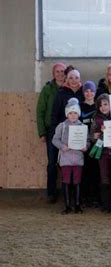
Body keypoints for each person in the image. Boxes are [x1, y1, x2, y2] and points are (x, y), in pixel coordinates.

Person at [52, 98, 89, 214]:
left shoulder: (83, 127)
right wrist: (63, 147)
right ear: (67, 114)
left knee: (77, 182)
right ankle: (67, 205)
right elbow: (54, 140)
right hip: (66, 159)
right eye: (70, 113)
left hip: (78, 160)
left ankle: (77, 205)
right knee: (66, 182)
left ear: (78, 114)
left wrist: (85, 147)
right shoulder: (61, 126)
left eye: (75, 113)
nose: (73, 115)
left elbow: (87, 140)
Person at [36, 62, 66, 203]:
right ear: (53, 74)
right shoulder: (47, 89)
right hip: (52, 130)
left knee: (68, 162)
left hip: (68, 129)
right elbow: (40, 111)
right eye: (57, 71)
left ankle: (69, 192)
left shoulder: (69, 87)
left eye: (62, 71)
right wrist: (42, 132)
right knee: (52, 162)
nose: (60, 74)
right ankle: (51, 193)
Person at [90, 94, 111, 213]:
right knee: (104, 176)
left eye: (105, 104)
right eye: (100, 105)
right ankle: (105, 204)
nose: (103, 107)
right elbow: (91, 136)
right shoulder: (96, 119)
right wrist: (95, 136)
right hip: (102, 153)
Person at [80, 81, 99, 207]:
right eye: (86, 90)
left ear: (95, 92)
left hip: (97, 144)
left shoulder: (99, 107)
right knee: (85, 171)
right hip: (84, 144)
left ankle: (95, 197)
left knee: (96, 171)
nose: (89, 93)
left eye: (91, 90)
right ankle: (85, 197)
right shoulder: (79, 107)